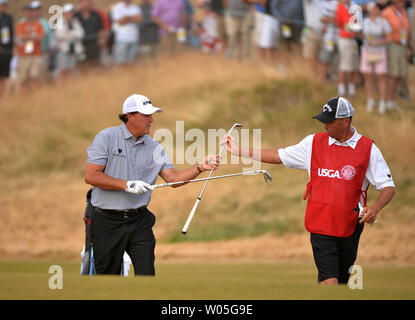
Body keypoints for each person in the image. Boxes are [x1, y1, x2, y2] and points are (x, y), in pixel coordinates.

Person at [223, 96, 396, 285]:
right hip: (320, 223)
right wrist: (239, 150)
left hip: (349, 226)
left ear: (345, 122)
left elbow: (388, 186)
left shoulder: (368, 149)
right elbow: (277, 155)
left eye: (329, 122)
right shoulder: (313, 143)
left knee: (341, 283)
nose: (324, 125)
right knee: (330, 282)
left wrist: (376, 208)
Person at [85, 94, 220, 275]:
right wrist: (126, 185)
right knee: (109, 278)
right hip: (107, 222)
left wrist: (199, 167)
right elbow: (91, 176)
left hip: (138, 220)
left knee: (146, 273)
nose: (151, 120)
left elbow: (173, 178)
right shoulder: (107, 138)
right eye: (146, 115)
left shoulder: (154, 147)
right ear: (129, 115)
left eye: (152, 115)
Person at [360, 2, 392, 114]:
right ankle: (370, 100)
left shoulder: (383, 22)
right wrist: (366, 39)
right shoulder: (364, 22)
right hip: (367, 51)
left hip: (379, 51)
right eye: (374, 8)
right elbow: (359, 33)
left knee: (381, 76)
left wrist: (378, 42)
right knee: (368, 75)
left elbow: (389, 38)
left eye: (377, 8)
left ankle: (382, 102)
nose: (376, 10)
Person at [381, 0, 410, 111]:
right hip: (392, 45)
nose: (403, 3)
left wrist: (407, 47)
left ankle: (392, 100)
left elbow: (406, 30)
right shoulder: (387, 13)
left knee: (398, 74)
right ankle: (388, 100)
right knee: (393, 74)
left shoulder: (403, 12)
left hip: (402, 46)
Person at [15, 4, 45, 92]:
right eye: (26, 11)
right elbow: (20, 37)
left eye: (30, 11)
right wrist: (32, 36)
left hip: (36, 54)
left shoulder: (38, 24)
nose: (28, 13)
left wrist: (27, 36)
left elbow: (40, 37)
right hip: (23, 55)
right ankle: (23, 96)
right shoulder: (21, 24)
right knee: (23, 78)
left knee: (35, 76)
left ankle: (36, 95)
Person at [336, 0, 362, 98]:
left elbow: (357, 23)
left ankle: (351, 91)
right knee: (344, 65)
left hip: (352, 39)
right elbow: (341, 23)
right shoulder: (340, 8)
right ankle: (342, 90)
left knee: (353, 66)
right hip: (345, 39)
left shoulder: (352, 7)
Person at [54, 3, 84, 83]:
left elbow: (81, 34)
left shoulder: (75, 22)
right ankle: (60, 87)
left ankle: (68, 87)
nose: (70, 14)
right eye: (68, 12)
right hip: (64, 50)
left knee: (71, 70)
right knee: (62, 70)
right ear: (64, 13)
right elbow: (60, 35)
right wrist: (73, 34)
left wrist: (69, 33)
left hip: (74, 50)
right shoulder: (59, 23)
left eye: (71, 12)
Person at [111, 0, 142, 66]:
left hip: (134, 37)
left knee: (132, 62)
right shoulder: (117, 7)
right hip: (121, 38)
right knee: (121, 62)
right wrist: (132, 17)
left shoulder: (135, 7)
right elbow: (120, 22)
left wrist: (127, 17)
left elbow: (139, 19)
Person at [75, 0, 103, 69]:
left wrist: (101, 41)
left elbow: (101, 29)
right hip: (80, 45)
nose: (86, 4)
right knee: (82, 66)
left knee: (95, 65)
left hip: (94, 45)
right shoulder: (76, 16)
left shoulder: (95, 14)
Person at [301, 0, 325, 74]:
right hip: (310, 31)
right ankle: (308, 77)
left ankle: (316, 79)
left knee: (320, 59)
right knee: (308, 57)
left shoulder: (326, 2)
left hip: (323, 34)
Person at [0, 0, 13, 98]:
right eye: (1, 5)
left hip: (6, 51)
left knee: (4, 76)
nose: (3, 7)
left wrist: (12, 48)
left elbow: (11, 34)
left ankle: (2, 97)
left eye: (4, 5)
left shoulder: (9, 18)